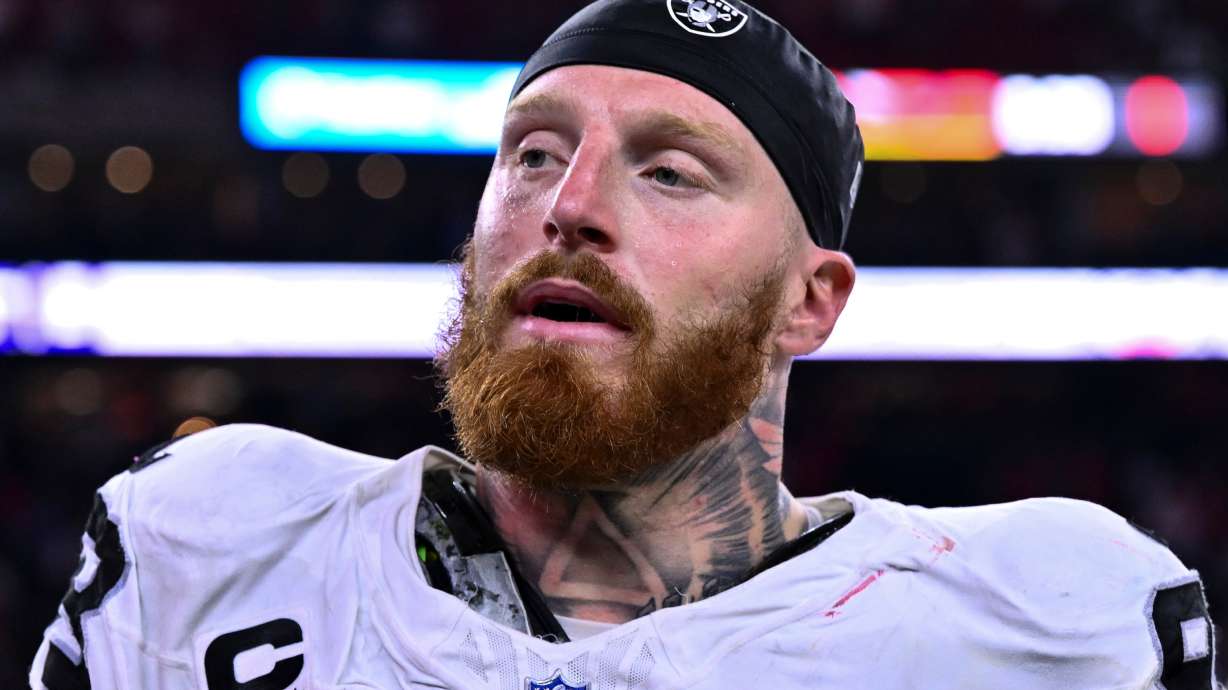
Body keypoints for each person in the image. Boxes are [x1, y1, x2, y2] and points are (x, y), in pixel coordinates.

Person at [31, 1, 1218, 688]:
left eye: (670, 172)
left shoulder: (1051, 622)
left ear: (809, 303)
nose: (569, 205)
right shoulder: (211, 540)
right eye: (534, 153)